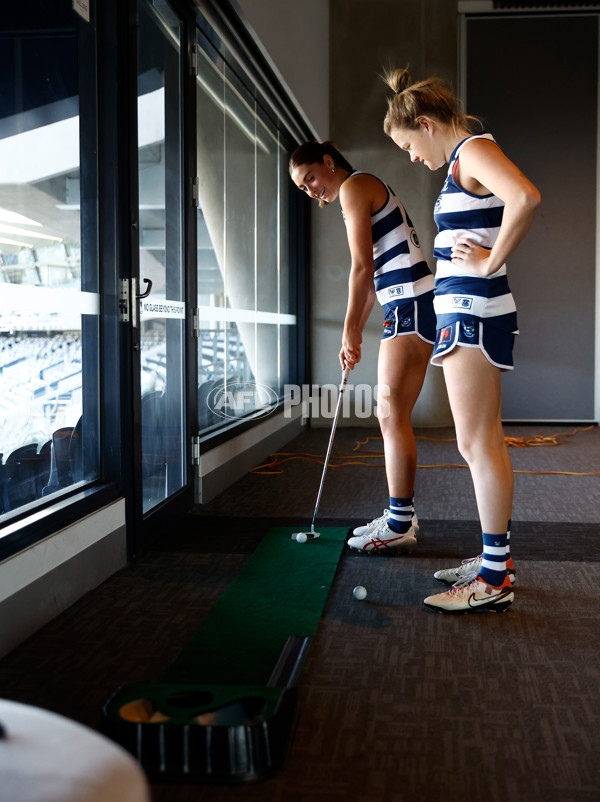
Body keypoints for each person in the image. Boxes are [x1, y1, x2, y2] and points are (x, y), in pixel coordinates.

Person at [382, 67, 541, 612]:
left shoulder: (471, 151)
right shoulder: (464, 158)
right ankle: (495, 560)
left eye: (408, 144)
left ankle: (494, 580)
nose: (411, 157)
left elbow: (525, 197)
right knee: (482, 442)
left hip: (474, 311)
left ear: (425, 124)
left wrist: (489, 265)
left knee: (476, 444)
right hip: (468, 313)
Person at [289, 141, 435, 553]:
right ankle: (400, 515)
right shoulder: (356, 190)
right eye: (303, 188)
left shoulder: (355, 187)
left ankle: (400, 521)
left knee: (391, 415)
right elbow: (371, 278)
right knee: (390, 415)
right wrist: (354, 330)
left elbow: (361, 268)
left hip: (411, 303)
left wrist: (350, 329)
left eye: (311, 178)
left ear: (329, 162)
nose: (311, 190)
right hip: (404, 304)